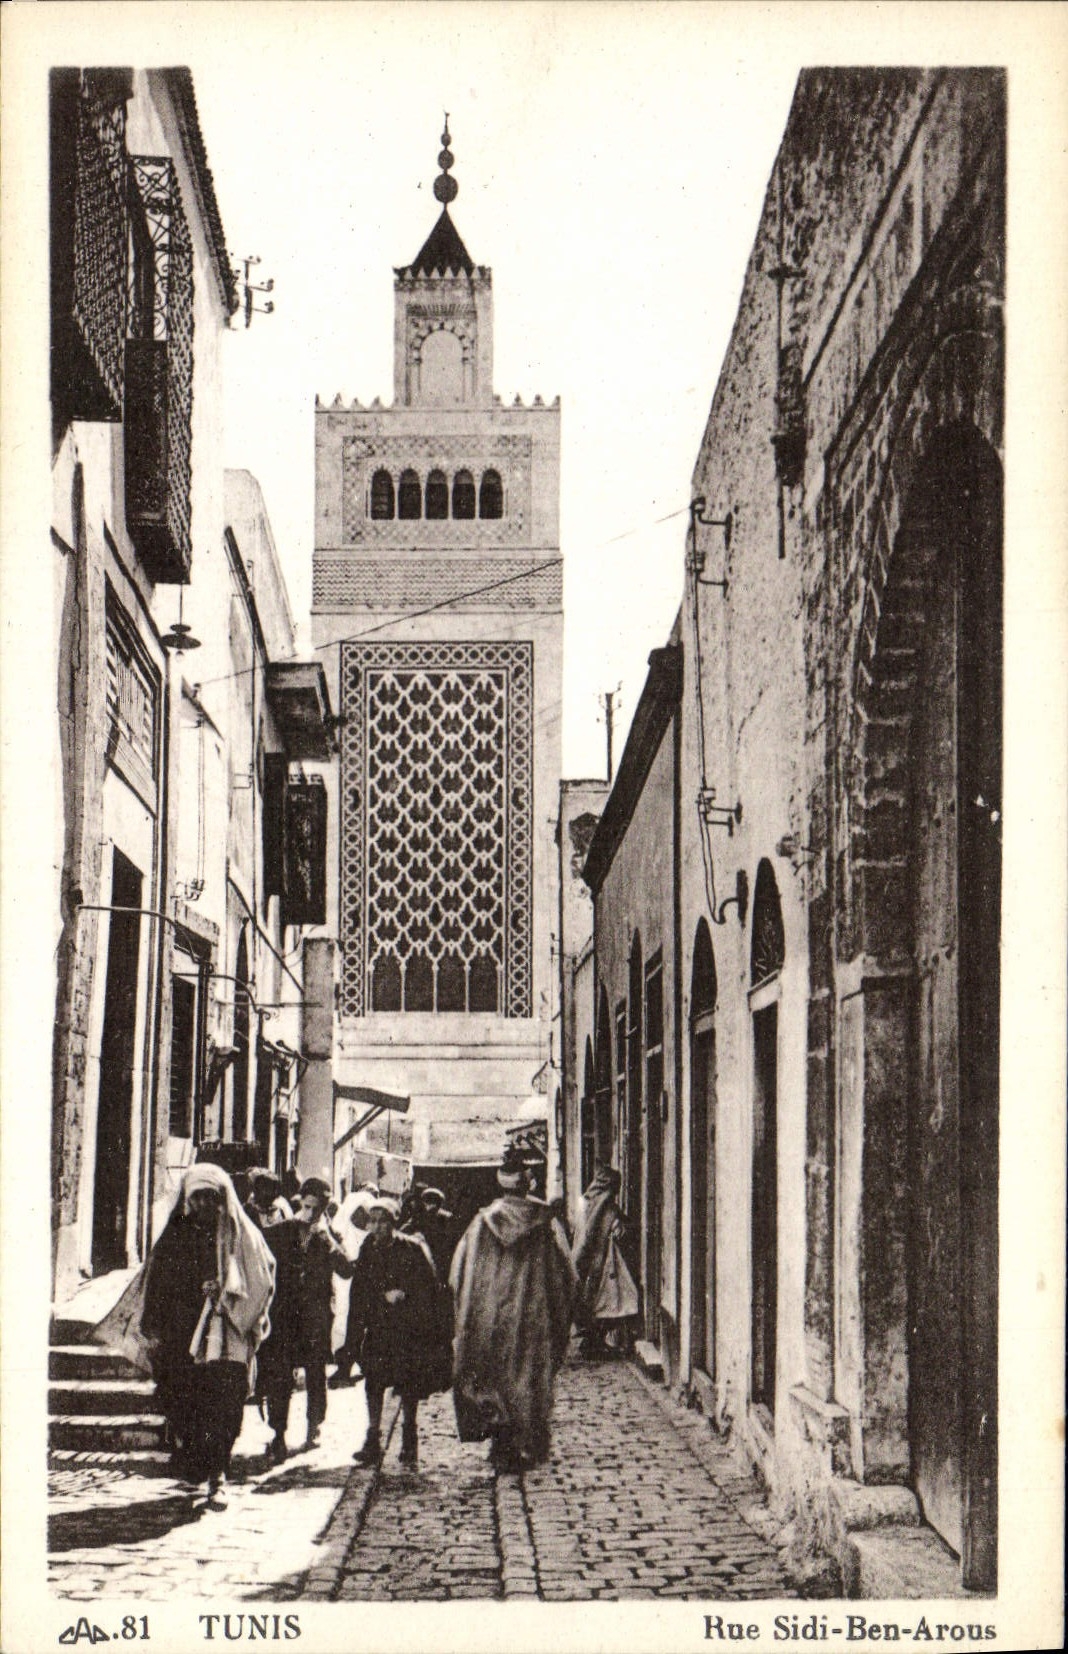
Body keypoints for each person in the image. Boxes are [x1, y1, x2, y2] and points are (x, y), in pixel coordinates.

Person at [138, 1163, 275, 1508]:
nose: (203, 1205)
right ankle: (200, 1464)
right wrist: (156, 1321)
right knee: (185, 1403)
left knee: (225, 1406)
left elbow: (262, 1277)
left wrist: (227, 1292)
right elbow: (157, 1281)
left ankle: (219, 1475)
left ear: (221, 1199)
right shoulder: (176, 1232)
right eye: (196, 1198)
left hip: (227, 1333)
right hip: (183, 1334)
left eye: (210, 1198)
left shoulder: (240, 1233)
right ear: (187, 1199)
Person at [450, 1145, 577, 1472]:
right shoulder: (546, 1224)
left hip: (490, 1317)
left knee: (495, 1377)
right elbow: (565, 1274)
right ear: (527, 1184)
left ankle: (501, 1441)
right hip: (534, 1317)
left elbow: (459, 1274)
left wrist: (470, 1312)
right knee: (528, 1378)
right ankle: (525, 1441)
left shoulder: (480, 1225)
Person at [257, 1176, 353, 1460]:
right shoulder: (280, 1231)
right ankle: (278, 1434)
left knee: (315, 1373)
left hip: (316, 1317)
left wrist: (329, 1242)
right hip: (285, 1316)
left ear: (325, 1208)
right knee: (280, 1375)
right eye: (307, 1206)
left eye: (317, 1208)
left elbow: (347, 1270)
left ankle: (314, 1425)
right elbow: (263, 1266)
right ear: (300, 1202)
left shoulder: (330, 1236)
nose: (310, 1213)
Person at [347, 1196, 446, 1468]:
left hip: (407, 1329)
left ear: (394, 1224)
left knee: (408, 1385)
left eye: (383, 1222)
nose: (377, 1227)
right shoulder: (368, 1248)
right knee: (374, 1382)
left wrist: (406, 1295)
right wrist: (353, 1337)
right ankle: (373, 1438)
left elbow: (431, 1287)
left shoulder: (412, 1248)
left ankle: (409, 1436)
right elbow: (359, 1289)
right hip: (379, 1327)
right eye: (373, 1221)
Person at [571, 1164, 636, 1357]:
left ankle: (592, 1340)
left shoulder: (585, 1204)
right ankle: (594, 1342)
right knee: (609, 1303)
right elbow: (619, 1232)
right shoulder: (607, 1210)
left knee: (597, 1303)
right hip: (606, 1264)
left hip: (589, 1262)